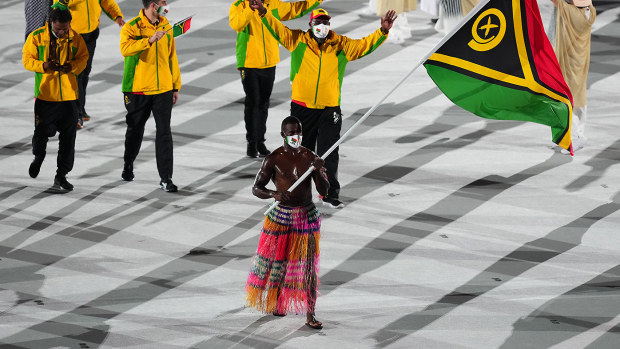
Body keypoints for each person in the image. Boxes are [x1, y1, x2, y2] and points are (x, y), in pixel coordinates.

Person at [249, 2, 396, 208]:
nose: (322, 26)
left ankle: (330, 193)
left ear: (329, 25)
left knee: (329, 152)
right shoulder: (298, 40)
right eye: (318, 22)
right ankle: (301, 190)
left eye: (326, 22)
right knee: (301, 152)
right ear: (311, 24)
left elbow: (363, 45)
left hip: (329, 108)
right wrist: (264, 12)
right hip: (303, 107)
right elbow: (277, 29)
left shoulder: (341, 45)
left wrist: (382, 31)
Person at [246, 116, 329, 329]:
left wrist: (319, 170)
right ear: (283, 134)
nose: (296, 137)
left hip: (306, 216)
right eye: (291, 133)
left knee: (309, 267)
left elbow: (324, 191)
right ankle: (279, 302)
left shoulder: (311, 157)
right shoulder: (273, 158)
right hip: (281, 217)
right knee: (278, 264)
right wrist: (274, 194)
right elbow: (257, 188)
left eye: (298, 132)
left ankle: (310, 313)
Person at [229, 0, 323, 158]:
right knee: (253, 102)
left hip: (269, 62)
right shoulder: (239, 6)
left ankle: (260, 141)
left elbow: (295, 9)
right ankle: (251, 141)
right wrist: (252, 10)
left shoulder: (273, 5)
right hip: (248, 63)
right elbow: (237, 24)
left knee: (264, 103)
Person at [22, 7, 88, 191]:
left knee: (68, 138)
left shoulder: (75, 38)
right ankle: (38, 156)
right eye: (59, 29)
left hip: (68, 97)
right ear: (51, 23)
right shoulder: (36, 37)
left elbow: (84, 58)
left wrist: (73, 67)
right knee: (43, 132)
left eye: (65, 29)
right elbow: (27, 60)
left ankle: (61, 175)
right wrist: (43, 65)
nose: (62, 32)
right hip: (45, 96)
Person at [119, 0, 182, 192]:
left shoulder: (166, 25)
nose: (166, 5)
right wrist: (149, 40)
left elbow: (172, 55)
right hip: (138, 89)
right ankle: (128, 162)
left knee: (164, 132)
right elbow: (125, 49)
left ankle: (166, 178)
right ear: (153, 5)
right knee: (135, 130)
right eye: (163, 2)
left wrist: (175, 85)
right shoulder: (131, 27)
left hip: (163, 88)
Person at [53, 0, 125, 128]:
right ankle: (75, 114)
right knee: (76, 74)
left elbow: (106, 1)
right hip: (72, 34)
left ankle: (80, 107)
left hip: (91, 33)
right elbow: (59, 4)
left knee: (85, 72)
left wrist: (117, 16)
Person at [551, 0, 596, 152]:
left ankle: (578, 137)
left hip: (570, 63)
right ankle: (571, 136)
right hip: (578, 62)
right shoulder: (590, 11)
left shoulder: (572, 13)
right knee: (574, 98)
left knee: (572, 100)